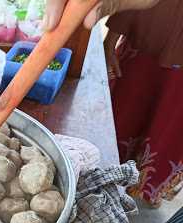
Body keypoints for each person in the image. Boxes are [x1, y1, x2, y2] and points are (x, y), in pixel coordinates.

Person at [44, 0, 182, 207]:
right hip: (147, 36)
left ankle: (148, 185)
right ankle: (111, 175)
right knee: (123, 114)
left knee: (169, 125)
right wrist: (110, 41)